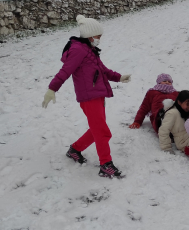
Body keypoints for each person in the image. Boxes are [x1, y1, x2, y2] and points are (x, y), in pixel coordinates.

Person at [42, 14, 131, 178]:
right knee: (103, 132)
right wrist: (51, 89)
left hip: (97, 95)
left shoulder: (90, 49)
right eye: (98, 36)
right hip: (89, 98)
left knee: (97, 129)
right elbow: (65, 71)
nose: (100, 39)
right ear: (89, 35)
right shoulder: (78, 50)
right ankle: (106, 165)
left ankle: (75, 149)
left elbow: (103, 70)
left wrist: (119, 77)